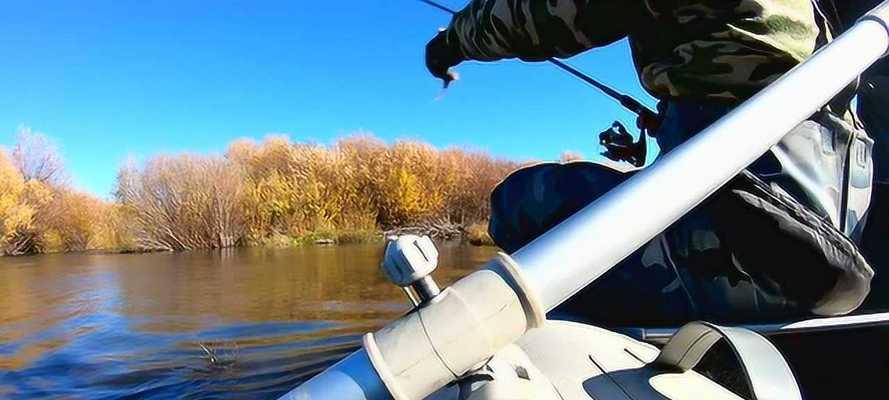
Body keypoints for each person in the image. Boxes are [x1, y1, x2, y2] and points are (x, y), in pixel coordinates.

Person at [426, 0, 875, 326]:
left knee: (516, 202)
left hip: (740, 233)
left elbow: (540, 16)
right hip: (841, 199)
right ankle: (790, 257)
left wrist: (451, 43)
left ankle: (749, 271)